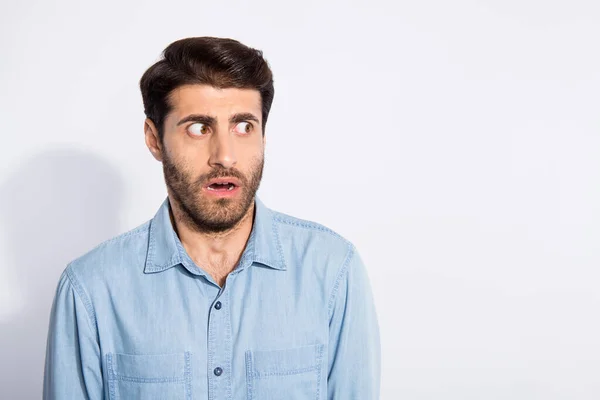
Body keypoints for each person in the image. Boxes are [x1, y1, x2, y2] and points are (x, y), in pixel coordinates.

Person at [43, 36, 380, 399]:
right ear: (155, 140)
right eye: (199, 128)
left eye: (243, 126)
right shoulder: (90, 288)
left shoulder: (331, 270)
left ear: (263, 135)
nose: (225, 156)